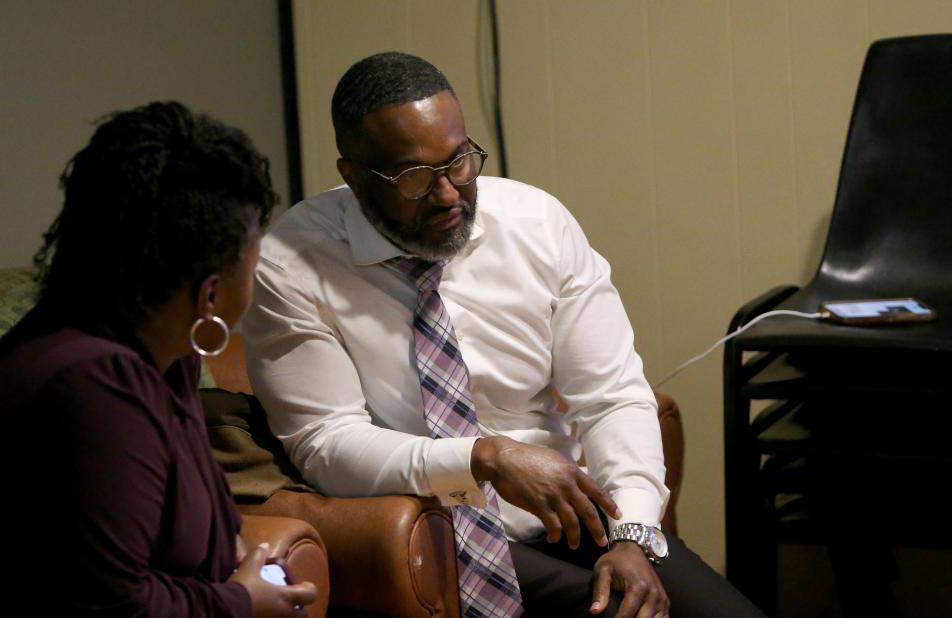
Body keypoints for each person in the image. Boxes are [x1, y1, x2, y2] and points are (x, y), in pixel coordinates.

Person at [243, 52, 763, 618]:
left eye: (460, 161)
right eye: (415, 177)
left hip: (572, 513)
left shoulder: (536, 224)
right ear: (353, 175)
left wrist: (632, 535)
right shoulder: (291, 265)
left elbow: (611, 395)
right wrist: (484, 458)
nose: (447, 194)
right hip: (431, 526)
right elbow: (326, 442)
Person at [0, 102, 318, 617]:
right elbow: (111, 601)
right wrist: (240, 601)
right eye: (254, 261)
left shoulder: (167, 355)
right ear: (210, 295)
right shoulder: (94, 385)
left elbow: (192, 523)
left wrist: (241, 559)